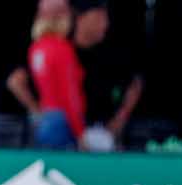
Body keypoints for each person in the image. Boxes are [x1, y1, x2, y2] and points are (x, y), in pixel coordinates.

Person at [74, 0, 145, 149]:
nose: (105, 24)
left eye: (106, 19)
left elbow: (135, 84)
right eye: (99, 18)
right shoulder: (64, 51)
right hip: (68, 135)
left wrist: (119, 121)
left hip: (103, 133)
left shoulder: (113, 54)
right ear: (81, 18)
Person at [17, 0, 85, 150]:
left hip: (44, 119)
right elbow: (70, 95)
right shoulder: (62, 49)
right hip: (62, 122)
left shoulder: (36, 48)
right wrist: (80, 133)